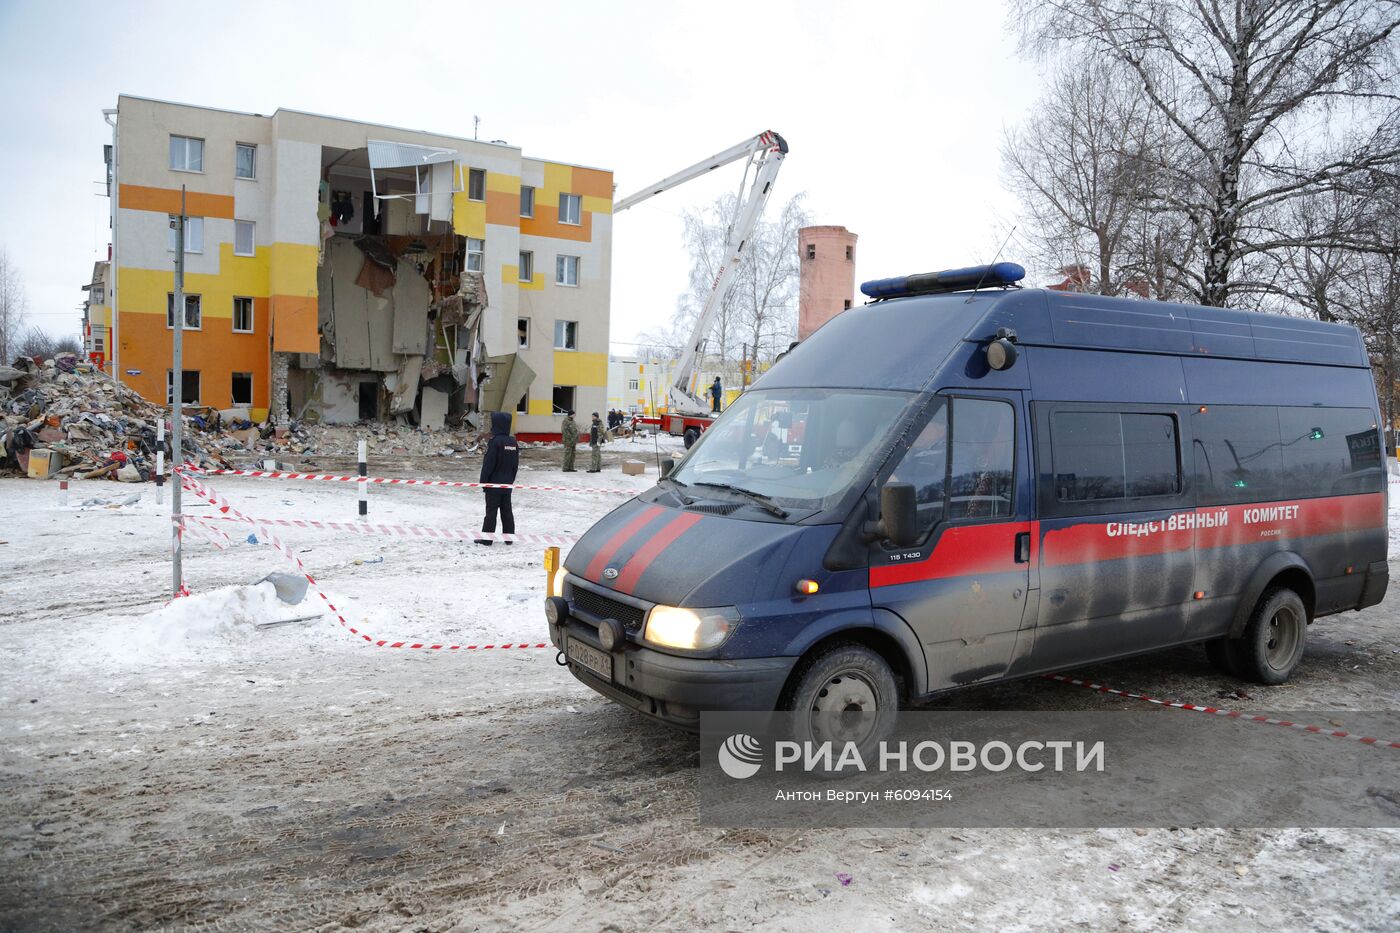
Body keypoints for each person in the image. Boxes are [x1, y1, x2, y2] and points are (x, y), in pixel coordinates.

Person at [478, 411, 519, 545]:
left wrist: (484, 482)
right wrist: (510, 481)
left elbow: (488, 465)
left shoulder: (495, 442)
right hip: (507, 484)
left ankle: (487, 539)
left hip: (493, 484)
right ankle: (509, 538)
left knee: (491, 512)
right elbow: (515, 465)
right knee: (507, 511)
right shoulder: (513, 442)